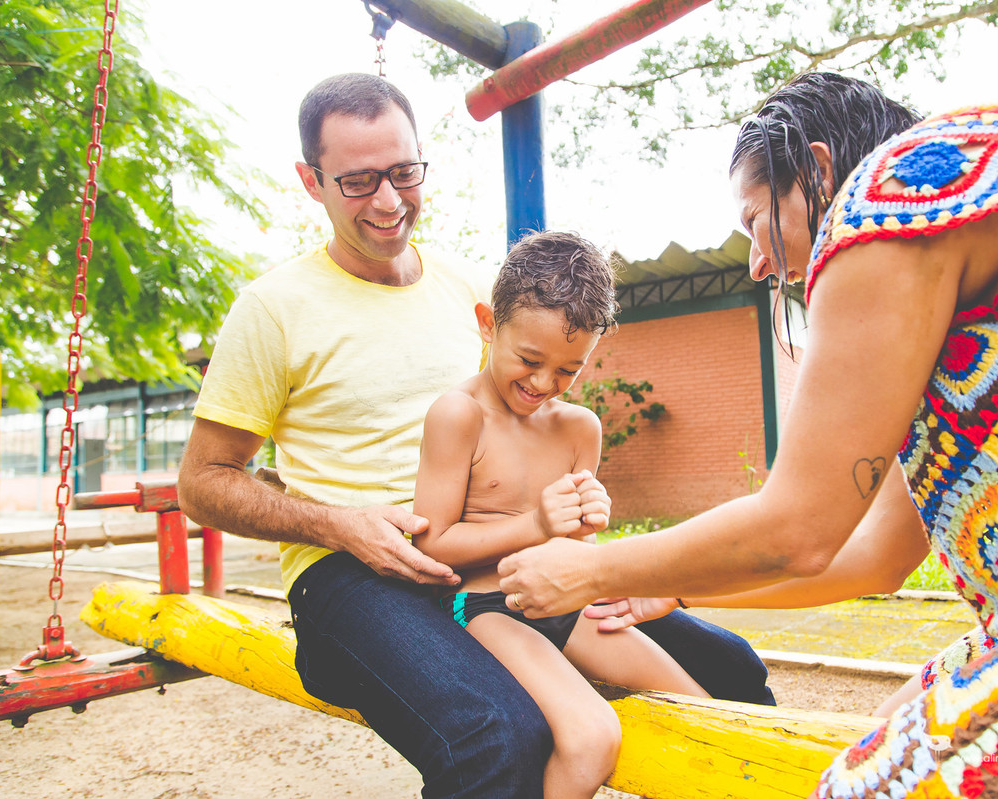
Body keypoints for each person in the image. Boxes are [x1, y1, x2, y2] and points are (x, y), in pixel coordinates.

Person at [498, 71, 998, 796]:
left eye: (756, 220)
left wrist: (591, 570)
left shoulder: (891, 196)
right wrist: (677, 589)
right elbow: (875, 556)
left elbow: (800, 526)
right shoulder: (969, 237)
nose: (759, 262)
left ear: (818, 170)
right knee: (882, 735)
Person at [177, 72, 772, 799]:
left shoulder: (473, 294)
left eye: (403, 172)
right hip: (350, 576)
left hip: (486, 561)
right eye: (360, 181)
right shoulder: (273, 308)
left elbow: (529, 431)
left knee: (729, 666)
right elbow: (202, 483)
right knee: (495, 732)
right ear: (312, 180)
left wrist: (593, 556)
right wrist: (341, 524)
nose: (389, 201)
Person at [413, 230, 711, 799]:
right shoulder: (458, 415)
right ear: (487, 324)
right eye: (529, 360)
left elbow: (577, 552)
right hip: (483, 607)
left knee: (696, 705)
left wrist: (587, 527)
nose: (544, 384)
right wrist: (536, 527)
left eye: (568, 371)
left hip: (565, 602)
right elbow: (431, 546)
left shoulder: (579, 428)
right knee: (593, 735)